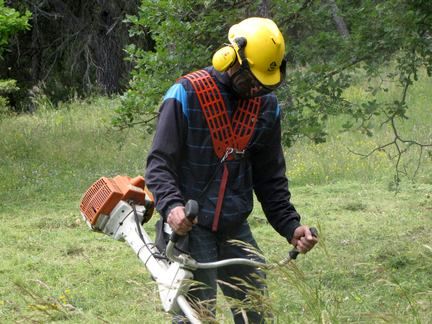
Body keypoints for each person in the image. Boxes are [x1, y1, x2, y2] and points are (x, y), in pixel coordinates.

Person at [145, 17, 318, 323]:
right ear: (231, 59)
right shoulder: (185, 94)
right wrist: (172, 206)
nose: (255, 89)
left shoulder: (266, 107)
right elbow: (159, 165)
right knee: (197, 317)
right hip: (190, 228)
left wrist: (292, 227)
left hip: (234, 227)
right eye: (251, 80)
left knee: (256, 310)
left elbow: (270, 179)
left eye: (263, 84)